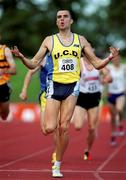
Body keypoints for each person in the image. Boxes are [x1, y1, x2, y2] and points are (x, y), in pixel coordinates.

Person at [11, 10, 119, 178]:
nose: (62, 19)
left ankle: (57, 165)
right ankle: (56, 156)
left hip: (73, 86)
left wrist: (110, 58)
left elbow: (97, 64)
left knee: (64, 127)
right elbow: (33, 64)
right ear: (56, 22)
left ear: (71, 21)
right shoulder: (49, 40)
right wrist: (21, 57)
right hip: (54, 85)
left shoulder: (80, 40)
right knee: (49, 128)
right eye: (59, 17)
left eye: (65, 17)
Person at [72, 56, 112, 160]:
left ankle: (87, 150)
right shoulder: (79, 61)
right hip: (81, 96)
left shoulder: (98, 62)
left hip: (94, 97)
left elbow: (108, 75)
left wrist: (107, 78)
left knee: (92, 128)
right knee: (78, 126)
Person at [106, 54, 126, 146]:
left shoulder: (123, 67)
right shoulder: (109, 68)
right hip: (111, 94)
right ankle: (113, 135)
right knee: (113, 118)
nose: (116, 60)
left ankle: (121, 122)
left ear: (120, 59)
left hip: (121, 93)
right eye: (114, 59)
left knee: (119, 109)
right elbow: (100, 67)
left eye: (118, 59)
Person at [0, 44, 16, 121]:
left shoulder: (5, 50)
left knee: (4, 116)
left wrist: (3, 71)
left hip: (3, 85)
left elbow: (14, 70)